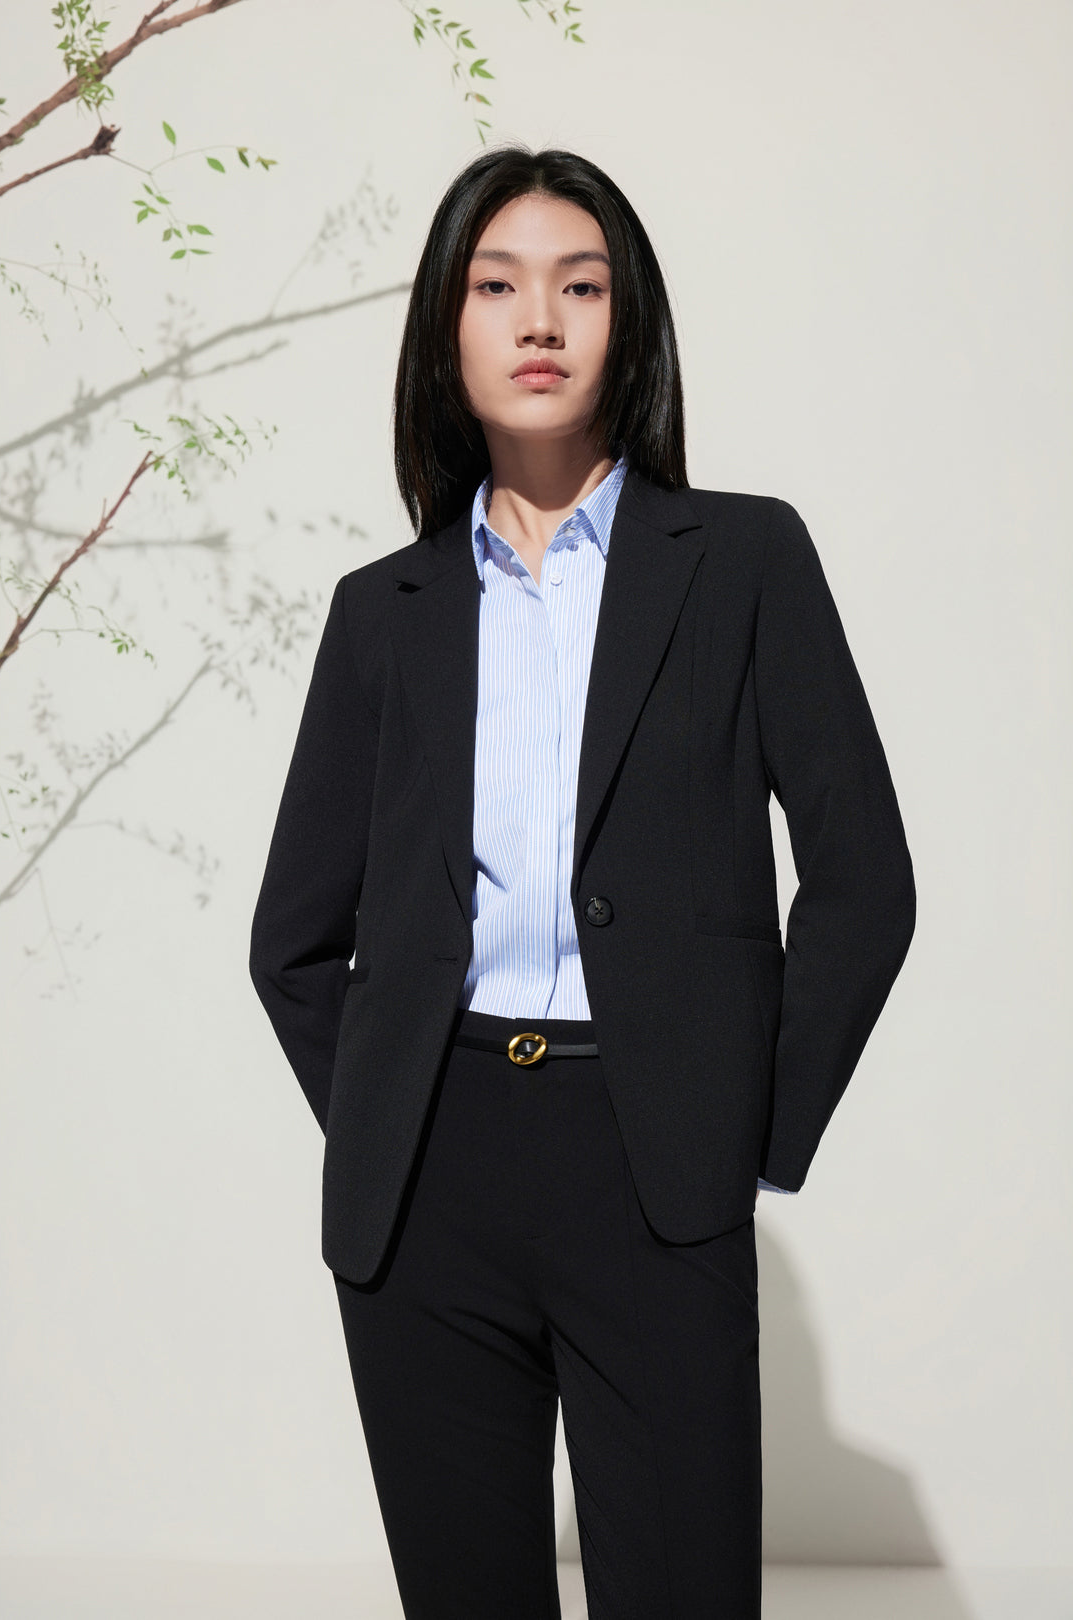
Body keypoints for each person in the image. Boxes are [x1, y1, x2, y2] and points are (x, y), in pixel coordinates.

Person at [249, 145, 916, 1620]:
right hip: (430, 1184)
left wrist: (748, 1126)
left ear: (633, 322)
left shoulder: (743, 558)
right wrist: (391, 1117)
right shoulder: (382, 614)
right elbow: (291, 941)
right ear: (446, 326)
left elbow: (865, 880)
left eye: (581, 286)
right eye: (496, 287)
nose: (539, 320)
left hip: (653, 1158)